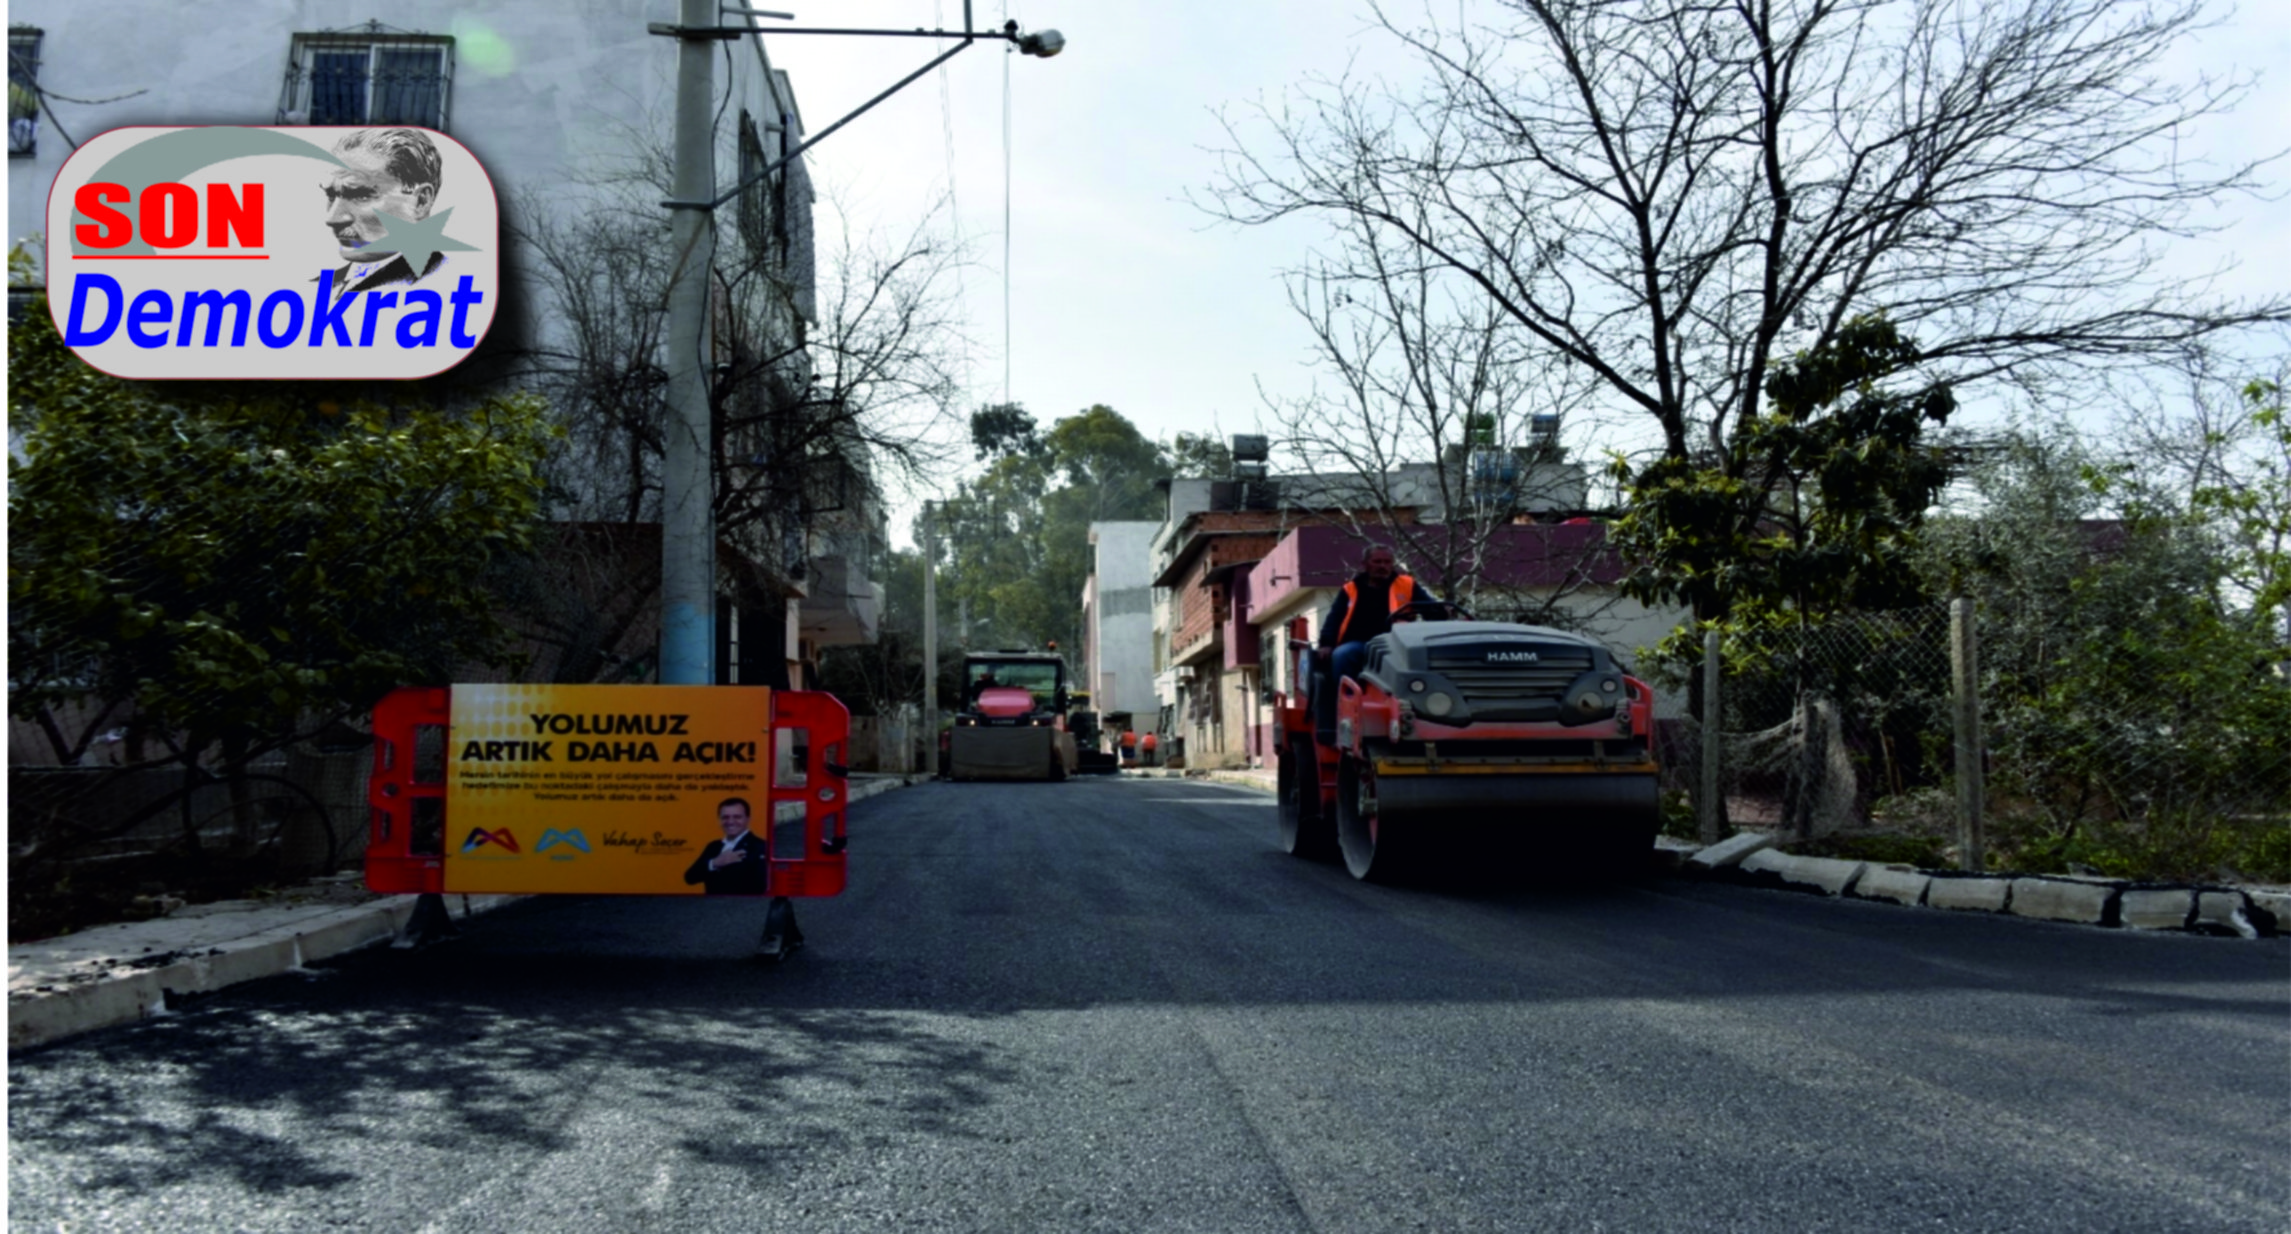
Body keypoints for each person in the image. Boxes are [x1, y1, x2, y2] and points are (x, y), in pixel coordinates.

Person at [1314, 545, 1448, 736]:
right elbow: (1334, 619)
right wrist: (1326, 643)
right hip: (1360, 644)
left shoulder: (1407, 585)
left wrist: (1441, 612)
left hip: (1396, 644)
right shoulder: (1350, 590)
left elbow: (1430, 610)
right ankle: (1348, 707)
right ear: (1365, 564)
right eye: (1377, 562)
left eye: (1387, 562)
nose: (1382, 566)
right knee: (1342, 656)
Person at [316, 127, 447, 299]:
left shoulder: (449, 287)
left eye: (359, 195)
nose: (332, 218)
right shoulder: (318, 287)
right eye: (331, 196)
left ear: (420, 201)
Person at [683, 797, 770, 896]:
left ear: (748, 819)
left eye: (737, 817)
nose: (730, 822)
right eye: (725, 817)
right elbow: (690, 877)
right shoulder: (713, 846)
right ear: (719, 819)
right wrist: (715, 863)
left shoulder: (760, 847)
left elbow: (760, 887)